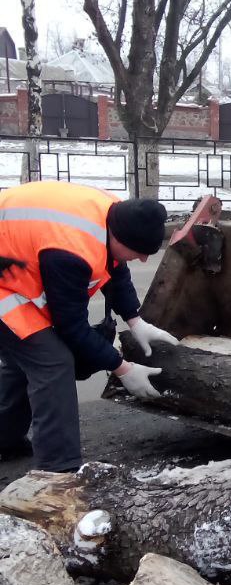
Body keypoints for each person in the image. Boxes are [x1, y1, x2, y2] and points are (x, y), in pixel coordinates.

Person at [0, 180, 177, 472]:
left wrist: (135, 319)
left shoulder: (114, 216)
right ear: (119, 237)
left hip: (16, 258)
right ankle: (58, 472)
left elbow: (115, 269)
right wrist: (124, 369)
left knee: (26, 358)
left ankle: (4, 440)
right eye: (139, 251)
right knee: (52, 362)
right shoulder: (70, 250)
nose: (144, 259)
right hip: (6, 279)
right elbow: (71, 326)